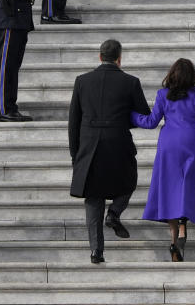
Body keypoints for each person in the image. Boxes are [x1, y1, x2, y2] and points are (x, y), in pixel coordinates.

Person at [131, 58, 195, 262]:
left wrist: (130, 116)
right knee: (188, 188)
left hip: (168, 147)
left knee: (170, 192)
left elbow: (151, 121)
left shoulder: (163, 95)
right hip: (191, 145)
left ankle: (174, 240)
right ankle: (182, 226)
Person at [69, 39, 150, 264]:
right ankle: (114, 213)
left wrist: (75, 153)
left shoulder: (82, 81)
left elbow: (73, 120)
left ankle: (96, 251)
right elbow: (142, 113)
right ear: (119, 58)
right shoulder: (131, 82)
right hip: (118, 142)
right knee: (129, 181)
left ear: (99, 57)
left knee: (94, 198)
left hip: (89, 145)